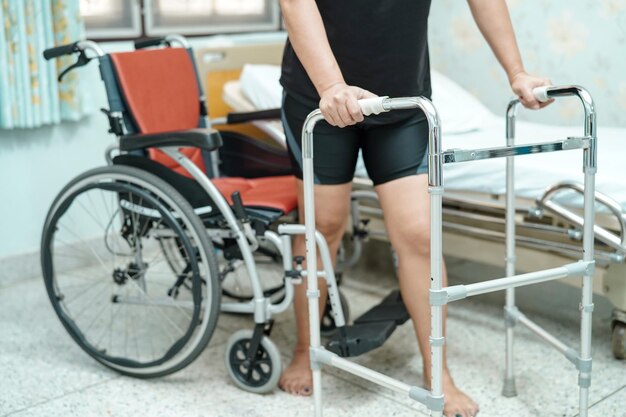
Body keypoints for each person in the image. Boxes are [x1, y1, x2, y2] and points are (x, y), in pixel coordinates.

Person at [278, 1, 552, 416]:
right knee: (324, 226)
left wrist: (516, 71)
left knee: (420, 233)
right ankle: (305, 349)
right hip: (319, 96)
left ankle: (438, 371)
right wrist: (332, 85)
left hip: (402, 101)